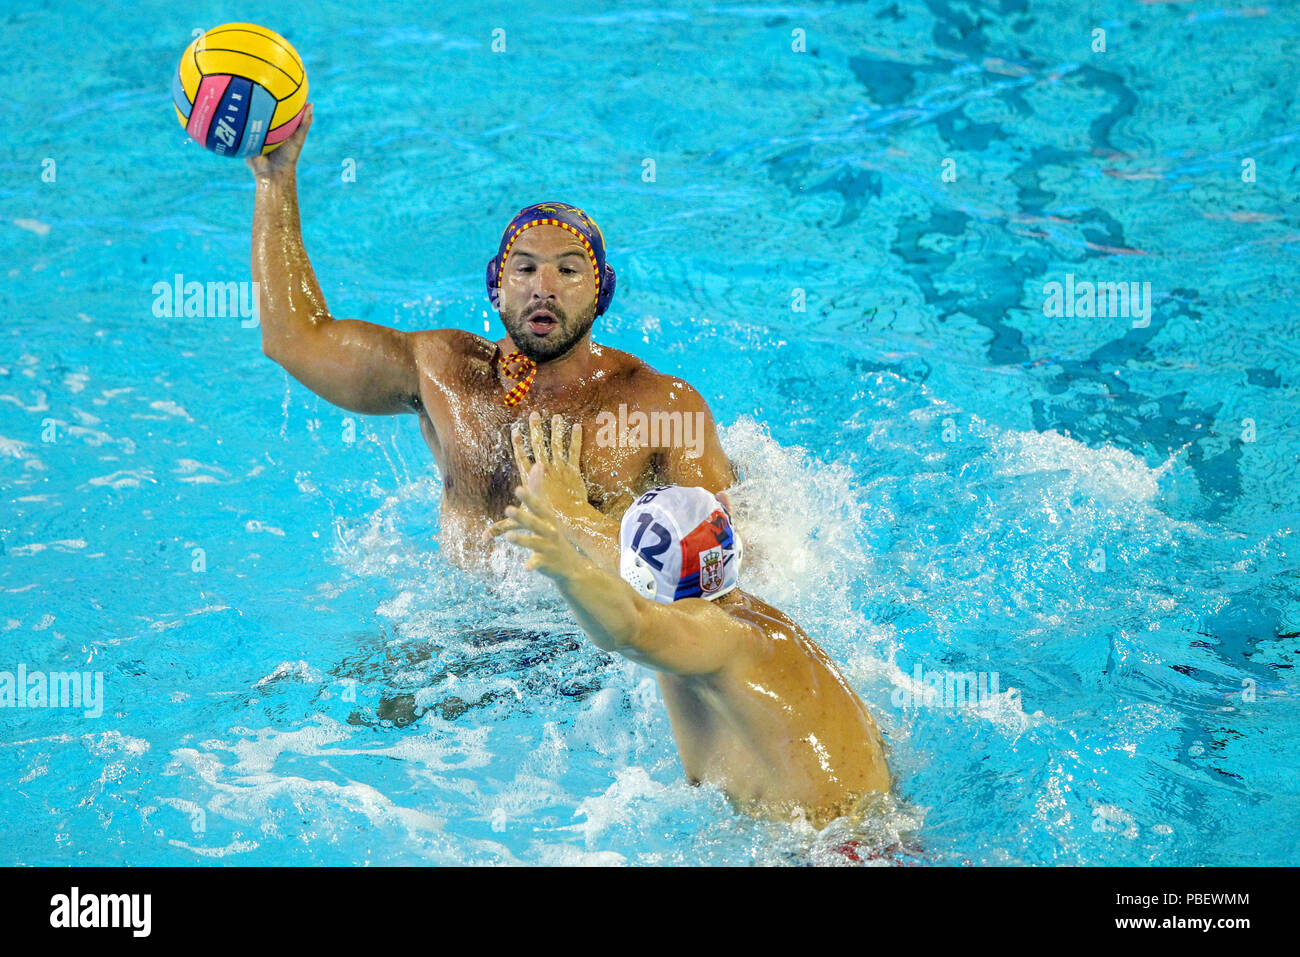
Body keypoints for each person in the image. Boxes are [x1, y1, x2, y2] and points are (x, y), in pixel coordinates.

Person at [247, 103, 735, 570]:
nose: (543, 288)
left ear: (601, 292)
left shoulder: (659, 408)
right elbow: (292, 338)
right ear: (495, 286)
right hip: (455, 631)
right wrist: (275, 180)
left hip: (595, 638)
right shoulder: (443, 371)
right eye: (524, 268)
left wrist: (577, 519)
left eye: (568, 270)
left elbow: (724, 560)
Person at [496, 418, 892, 828]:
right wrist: (569, 512)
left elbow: (630, 627)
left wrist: (567, 569)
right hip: (871, 822)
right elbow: (644, 569)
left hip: (834, 850)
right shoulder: (742, 613)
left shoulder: (715, 637)